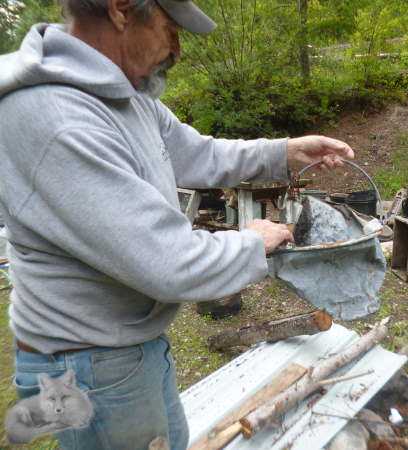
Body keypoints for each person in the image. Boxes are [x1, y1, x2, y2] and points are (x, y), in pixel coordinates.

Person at [0, 0, 354, 448]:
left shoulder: (123, 96)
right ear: (121, 9)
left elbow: (197, 153)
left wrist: (283, 152)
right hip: (89, 359)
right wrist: (250, 243)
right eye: (170, 28)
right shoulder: (55, 118)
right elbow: (167, 264)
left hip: (127, 343)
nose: (177, 50)